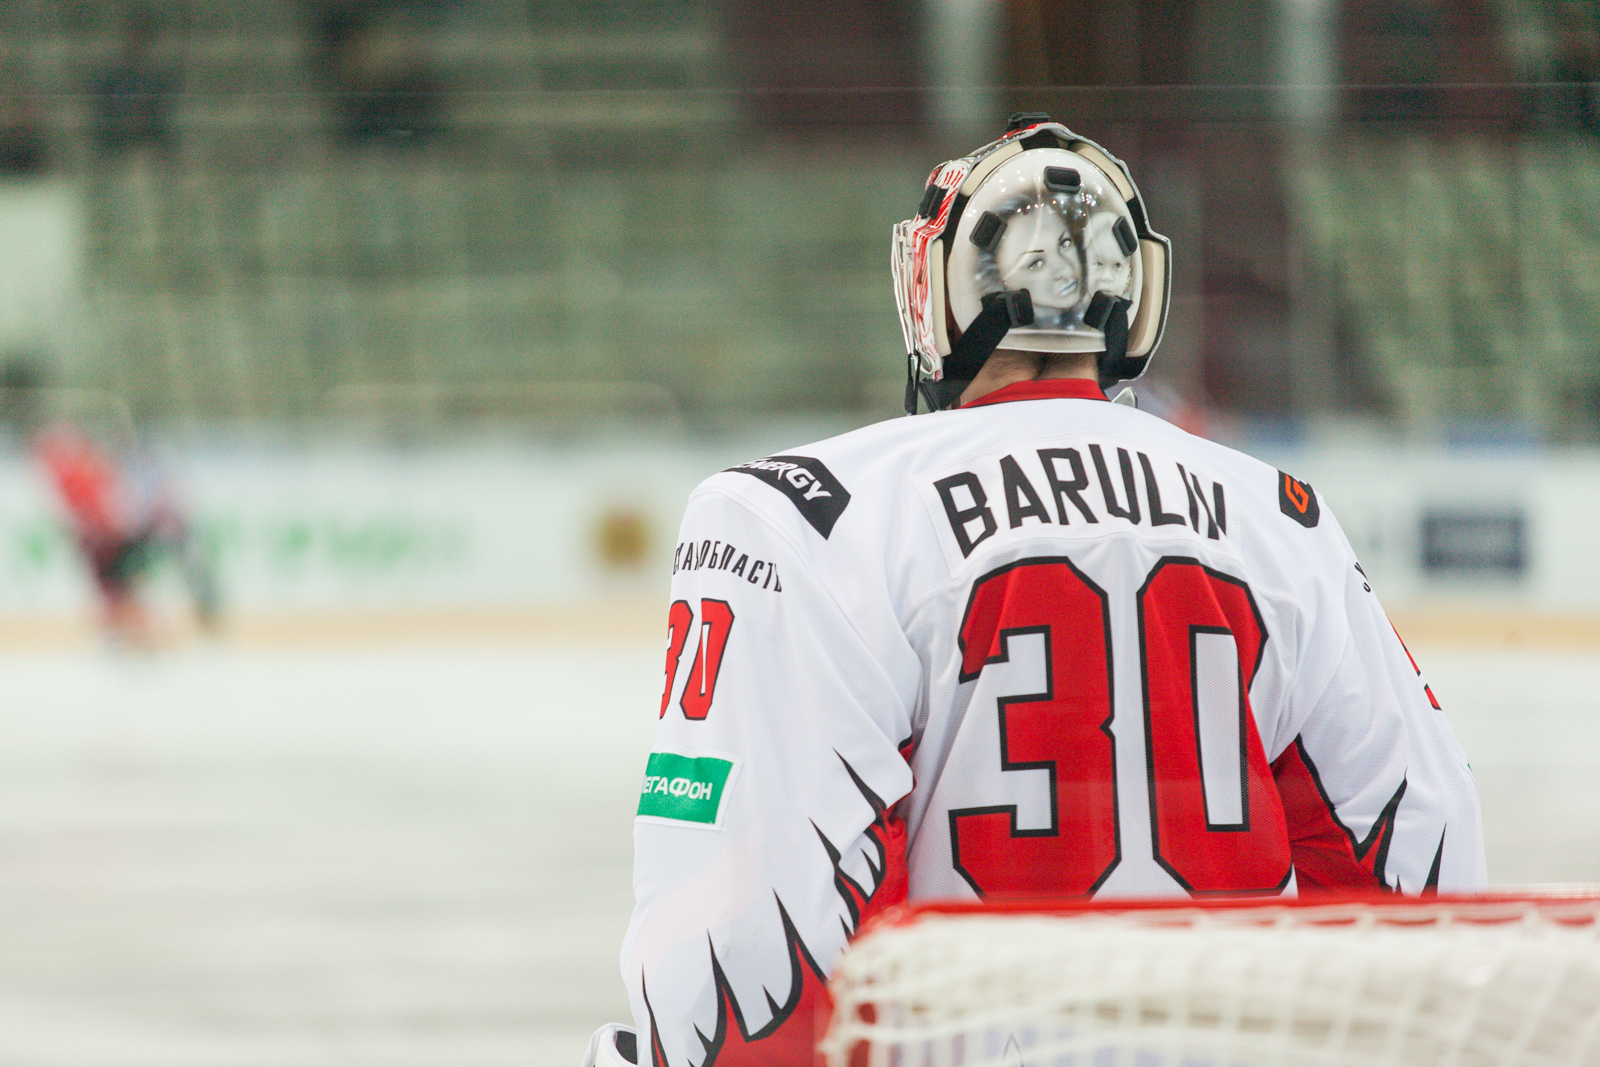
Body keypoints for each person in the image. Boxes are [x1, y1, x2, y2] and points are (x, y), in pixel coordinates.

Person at [589, 115, 1486, 1067]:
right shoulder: (1277, 513)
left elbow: (739, 946)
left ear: (942, 292)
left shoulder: (800, 515)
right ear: (1129, 299)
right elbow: (1421, 849)